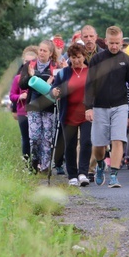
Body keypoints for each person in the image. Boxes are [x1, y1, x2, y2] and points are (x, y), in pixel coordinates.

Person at [84, 26, 129, 188]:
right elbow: (89, 85)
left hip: (120, 106)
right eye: (111, 43)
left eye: (117, 43)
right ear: (106, 41)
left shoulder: (127, 60)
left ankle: (114, 175)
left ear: (122, 42)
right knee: (99, 145)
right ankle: (101, 164)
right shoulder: (97, 59)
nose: (114, 46)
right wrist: (88, 107)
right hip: (99, 106)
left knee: (118, 140)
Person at [51, 43, 92, 187]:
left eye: (79, 57)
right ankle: (72, 175)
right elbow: (53, 89)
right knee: (70, 145)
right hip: (68, 113)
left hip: (87, 113)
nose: (76, 60)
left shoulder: (91, 71)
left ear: (84, 56)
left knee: (86, 142)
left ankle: (83, 173)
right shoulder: (64, 73)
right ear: (69, 58)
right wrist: (55, 92)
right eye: (73, 57)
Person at [18, 39, 59, 173]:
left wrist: (51, 84)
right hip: (33, 105)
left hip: (49, 107)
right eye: (40, 50)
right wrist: (30, 76)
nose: (41, 53)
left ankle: (45, 166)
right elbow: (22, 85)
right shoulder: (30, 65)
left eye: (44, 51)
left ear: (50, 53)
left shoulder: (55, 67)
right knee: (34, 137)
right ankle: (35, 162)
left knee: (47, 138)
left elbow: (59, 87)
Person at [10, 46, 38, 164]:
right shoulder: (18, 78)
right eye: (26, 61)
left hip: (36, 111)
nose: (28, 64)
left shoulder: (38, 77)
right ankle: (27, 163)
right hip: (23, 111)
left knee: (36, 139)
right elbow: (12, 95)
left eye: (31, 61)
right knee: (26, 138)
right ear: (23, 61)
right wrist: (19, 97)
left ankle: (38, 162)